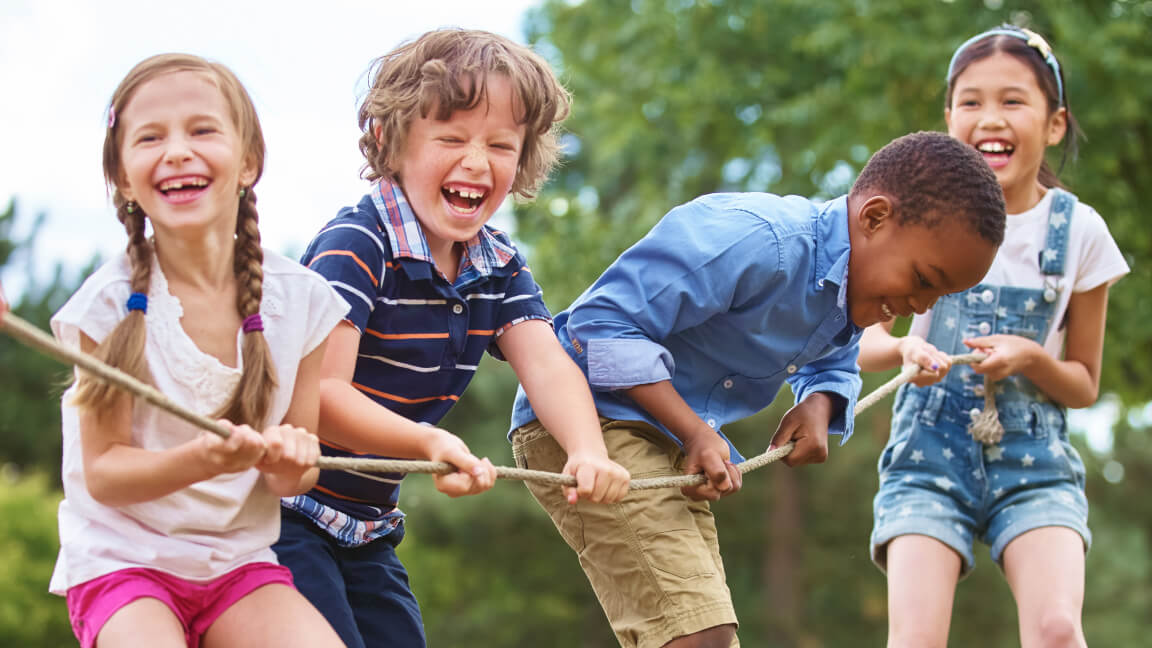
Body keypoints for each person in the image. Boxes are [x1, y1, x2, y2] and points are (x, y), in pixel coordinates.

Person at [509, 130, 1007, 648]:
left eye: (939, 297)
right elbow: (601, 324)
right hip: (587, 419)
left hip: (665, 441)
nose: (922, 307)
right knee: (696, 634)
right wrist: (695, 430)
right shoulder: (759, 240)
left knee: (709, 635)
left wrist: (819, 403)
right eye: (923, 280)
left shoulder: (850, 287)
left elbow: (836, 354)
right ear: (874, 218)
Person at [273, 28, 631, 648]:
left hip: (366, 526)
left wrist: (586, 449)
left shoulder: (498, 266)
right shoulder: (357, 246)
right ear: (390, 140)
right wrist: (427, 440)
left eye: (500, 144)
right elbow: (322, 396)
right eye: (451, 138)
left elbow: (545, 363)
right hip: (281, 514)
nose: (476, 162)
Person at [47, 54, 348, 648]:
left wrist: (291, 461)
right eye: (150, 137)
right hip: (122, 564)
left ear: (248, 162)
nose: (178, 150)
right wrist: (205, 459)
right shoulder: (104, 308)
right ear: (125, 180)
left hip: (237, 565)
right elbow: (105, 475)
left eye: (202, 129)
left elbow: (298, 475)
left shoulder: (304, 304)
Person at [859, 26, 1130, 648]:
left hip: (1033, 462)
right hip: (927, 455)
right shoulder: (913, 215)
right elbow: (865, 343)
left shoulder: (1081, 231)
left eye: (1013, 101)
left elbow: (1084, 384)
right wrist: (904, 349)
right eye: (971, 102)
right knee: (917, 639)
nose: (990, 119)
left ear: (1055, 124)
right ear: (948, 117)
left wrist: (1033, 357)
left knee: (1058, 631)